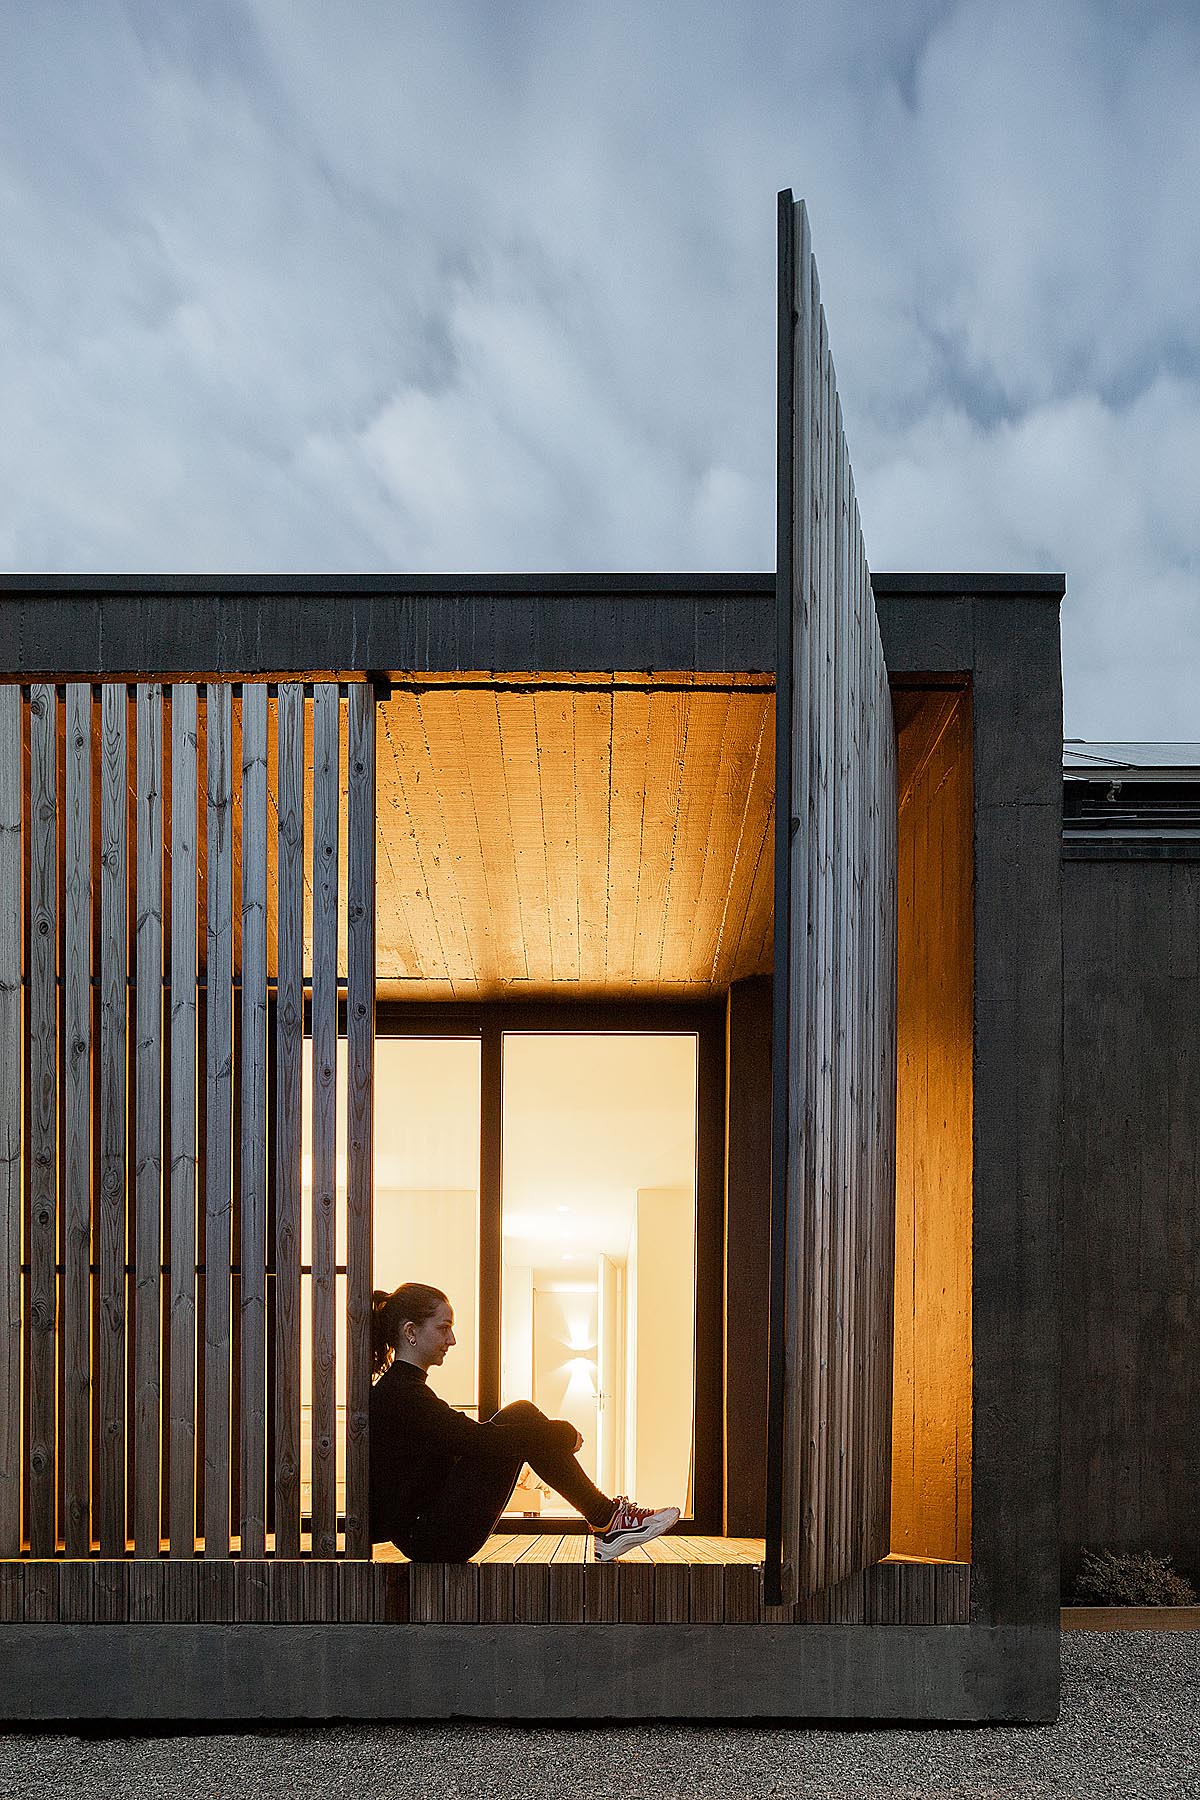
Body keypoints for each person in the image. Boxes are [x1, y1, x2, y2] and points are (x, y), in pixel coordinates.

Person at [369, 1281, 679, 1563]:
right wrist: (558, 1433)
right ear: (410, 1332)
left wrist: (548, 1434)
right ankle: (607, 1519)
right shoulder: (402, 1395)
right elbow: (478, 1440)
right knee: (523, 1421)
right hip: (433, 1539)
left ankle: (607, 1519)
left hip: (431, 1529)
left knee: (520, 1415)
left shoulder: (404, 1389)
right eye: (444, 1328)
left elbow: (466, 1440)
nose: (452, 1339)